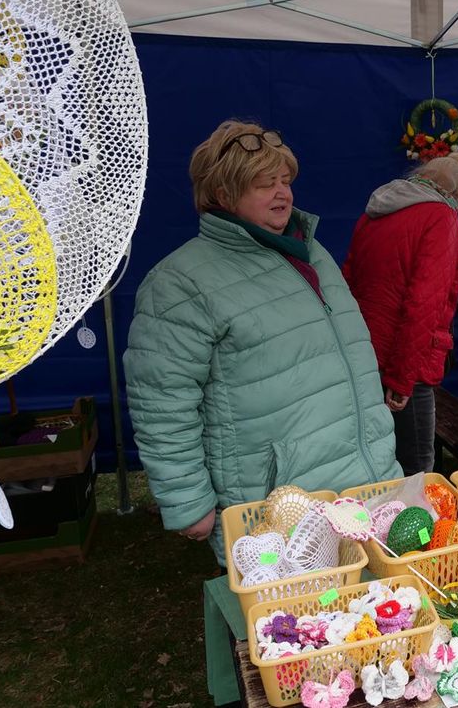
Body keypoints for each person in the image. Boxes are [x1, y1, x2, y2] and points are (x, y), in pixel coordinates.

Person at [124, 120, 401, 562]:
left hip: (367, 480)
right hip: (282, 504)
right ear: (221, 194)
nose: (283, 193)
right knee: (298, 625)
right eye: (263, 183)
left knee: (383, 615)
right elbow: (162, 401)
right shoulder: (179, 282)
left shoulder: (312, 252)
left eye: (285, 180)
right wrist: (188, 502)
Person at [343, 153, 458, 476]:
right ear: (456, 194)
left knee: (376, 461)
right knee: (416, 469)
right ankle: (416, 526)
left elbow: (347, 283)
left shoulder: (376, 211)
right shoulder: (441, 217)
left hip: (364, 353)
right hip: (406, 364)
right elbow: (424, 305)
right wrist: (402, 379)